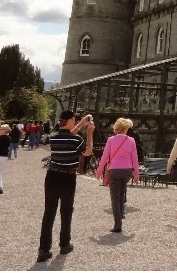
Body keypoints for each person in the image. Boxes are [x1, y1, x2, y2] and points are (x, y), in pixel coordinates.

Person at [38, 110, 94, 263]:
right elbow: (88, 152)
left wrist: (80, 124)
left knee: (49, 213)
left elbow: (68, 134)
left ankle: (43, 250)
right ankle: (64, 244)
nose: (75, 122)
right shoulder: (76, 140)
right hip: (68, 177)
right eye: (74, 120)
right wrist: (89, 133)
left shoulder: (54, 138)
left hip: (51, 176)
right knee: (66, 211)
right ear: (69, 121)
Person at [95, 118, 139, 233]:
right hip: (127, 171)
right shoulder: (131, 141)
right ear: (126, 129)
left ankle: (117, 224)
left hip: (114, 170)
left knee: (115, 197)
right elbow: (134, 158)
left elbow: (105, 157)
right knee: (121, 193)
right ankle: (121, 213)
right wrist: (136, 173)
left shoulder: (111, 140)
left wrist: (99, 171)